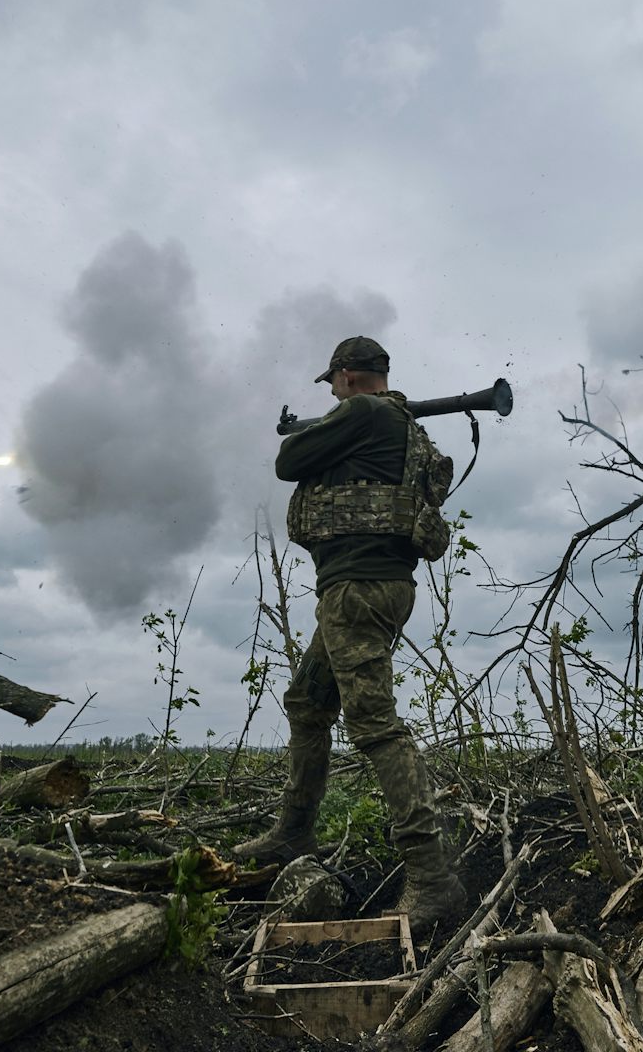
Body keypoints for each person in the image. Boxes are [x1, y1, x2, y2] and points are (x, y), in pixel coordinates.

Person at [235, 336, 466, 934]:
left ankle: (433, 878)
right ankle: (293, 835)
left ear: (345, 376)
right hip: (372, 587)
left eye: (333, 381)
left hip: (358, 588)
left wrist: (322, 428)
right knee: (310, 704)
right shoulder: (402, 426)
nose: (332, 391)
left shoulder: (363, 413)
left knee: (374, 724)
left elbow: (289, 462)